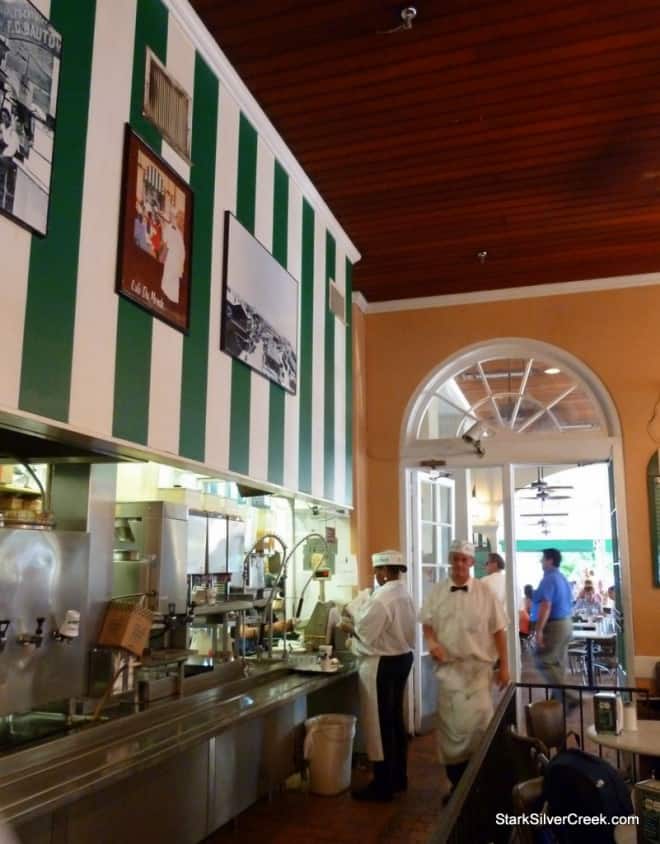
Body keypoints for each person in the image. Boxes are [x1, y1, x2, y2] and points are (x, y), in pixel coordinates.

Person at [420, 539, 509, 796]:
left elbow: (499, 630)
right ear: (450, 560)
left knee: (479, 732)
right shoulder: (437, 592)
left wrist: (504, 665)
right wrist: (432, 641)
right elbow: (427, 621)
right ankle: (457, 788)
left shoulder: (485, 593)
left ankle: (478, 789)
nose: (459, 563)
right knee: (450, 737)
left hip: (478, 675)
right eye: (455, 558)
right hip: (449, 674)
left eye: (464, 559)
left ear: (471, 563)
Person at [341, 549, 415, 802]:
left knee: (380, 724)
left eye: (377, 571)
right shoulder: (404, 593)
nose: (375, 576)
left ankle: (383, 785)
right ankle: (399, 777)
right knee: (395, 720)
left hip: (382, 663)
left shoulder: (381, 598)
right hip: (403, 658)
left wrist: (348, 627)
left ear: (384, 572)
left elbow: (366, 633)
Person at [532, 548, 574, 699]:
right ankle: (558, 700)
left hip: (556, 625)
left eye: (543, 558)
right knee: (557, 662)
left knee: (542, 659)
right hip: (567, 623)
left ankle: (567, 697)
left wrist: (539, 630)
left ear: (550, 560)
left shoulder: (549, 578)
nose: (541, 561)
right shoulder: (562, 577)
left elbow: (546, 605)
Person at [160, 208, 185, 304]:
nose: (181, 221)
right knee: (167, 284)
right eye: (180, 218)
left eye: (183, 219)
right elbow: (164, 241)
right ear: (176, 218)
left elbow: (181, 252)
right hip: (171, 261)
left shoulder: (180, 233)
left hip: (177, 267)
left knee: (174, 289)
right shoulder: (171, 228)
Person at [482, 552, 507, 618]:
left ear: (494, 564)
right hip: (509, 624)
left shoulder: (485, 581)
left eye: (487, 563)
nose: (485, 565)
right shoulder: (511, 581)